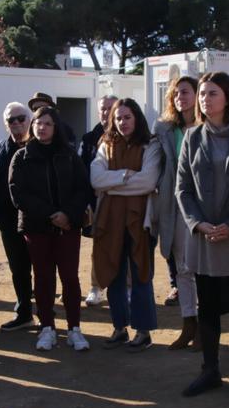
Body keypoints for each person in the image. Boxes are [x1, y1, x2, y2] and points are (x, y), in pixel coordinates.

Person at [175, 72, 229, 400]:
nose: (204, 99)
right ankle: (210, 370)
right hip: (203, 236)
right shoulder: (192, 136)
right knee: (208, 306)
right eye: (201, 93)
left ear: (227, 97)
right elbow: (182, 188)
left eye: (212, 93)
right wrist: (197, 224)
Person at [9, 106, 91, 352]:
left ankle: (74, 329)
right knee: (43, 279)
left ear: (56, 128)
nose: (41, 127)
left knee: (69, 278)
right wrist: (49, 214)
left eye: (47, 123)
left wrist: (68, 214)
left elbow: (82, 188)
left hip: (68, 227)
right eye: (37, 123)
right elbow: (18, 193)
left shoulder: (69, 155)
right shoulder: (21, 157)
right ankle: (47, 328)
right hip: (37, 228)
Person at [91, 98, 161, 352]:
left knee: (141, 274)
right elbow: (96, 179)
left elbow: (148, 181)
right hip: (110, 222)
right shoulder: (105, 144)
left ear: (137, 118)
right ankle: (119, 328)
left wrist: (113, 186)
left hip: (140, 222)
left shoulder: (151, 145)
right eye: (118, 118)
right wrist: (125, 176)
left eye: (127, 117)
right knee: (113, 273)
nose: (122, 122)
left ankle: (143, 331)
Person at [152, 76, 200, 349]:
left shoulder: (210, 126)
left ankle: (206, 326)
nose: (180, 97)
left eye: (185, 92)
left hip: (205, 208)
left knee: (204, 269)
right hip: (176, 207)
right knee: (182, 268)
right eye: (175, 93)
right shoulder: (165, 129)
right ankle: (188, 323)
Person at [0, 102, 35, 329]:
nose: (17, 123)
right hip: (10, 222)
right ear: (5, 123)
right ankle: (24, 312)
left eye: (21, 118)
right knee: (18, 269)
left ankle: (47, 315)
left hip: (39, 221)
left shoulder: (41, 146)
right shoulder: (0, 150)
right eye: (12, 120)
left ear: (30, 120)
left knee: (43, 268)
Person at [81, 94, 117, 307]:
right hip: (96, 202)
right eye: (103, 108)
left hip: (122, 201)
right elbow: (82, 170)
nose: (106, 112)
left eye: (110, 108)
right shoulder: (88, 138)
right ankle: (96, 287)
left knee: (125, 246)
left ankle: (126, 288)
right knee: (99, 247)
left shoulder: (129, 135)